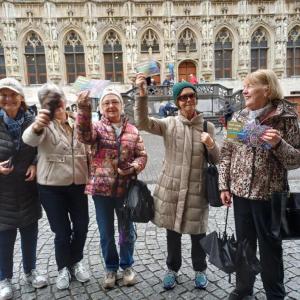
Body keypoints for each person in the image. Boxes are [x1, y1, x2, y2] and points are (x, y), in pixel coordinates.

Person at [219, 69, 300, 300]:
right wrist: (224, 185)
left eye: (249, 85)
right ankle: (244, 288)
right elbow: (226, 154)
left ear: (267, 89)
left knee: (270, 249)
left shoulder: (287, 117)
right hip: (242, 194)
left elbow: (296, 160)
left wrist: (278, 144)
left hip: (271, 196)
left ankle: (275, 293)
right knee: (245, 246)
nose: (244, 90)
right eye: (244, 86)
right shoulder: (239, 117)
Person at [134, 74, 220, 290]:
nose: (188, 100)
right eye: (183, 98)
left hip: (197, 191)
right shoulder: (169, 124)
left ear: (196, 98)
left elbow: (217, 159)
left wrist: (211, 145)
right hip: (171, 189)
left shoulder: (208, 127)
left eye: (191, 96)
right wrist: (142, 96)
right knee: (172, 233)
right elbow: (142, 122)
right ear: (176, 102)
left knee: (198, 234)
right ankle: (172, 269)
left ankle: (200, 270)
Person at [76, 87, 147, 289]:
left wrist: (133, 167)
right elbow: (83, 136)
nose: (110, 106)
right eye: (106, 103)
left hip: (125, 190)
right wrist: (83, 107)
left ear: (122, 106)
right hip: (101, 191)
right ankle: (110, 267)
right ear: (101, 108)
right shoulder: (96, 128)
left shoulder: (132, 130)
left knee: (126, 231)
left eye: (114, 102)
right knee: (106, 233)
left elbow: (142, 156)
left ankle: (127, 266)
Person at [22, 84, 90, 290]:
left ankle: (76, 261)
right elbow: (30, 139)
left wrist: (84, 109)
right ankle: (63, 268)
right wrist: (37, 125)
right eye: (52, 103)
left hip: (77, 185)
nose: (58, 106)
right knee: (62, 231)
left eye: (59, 101)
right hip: (51, 188)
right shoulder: (43, 125)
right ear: (44, 106)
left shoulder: (76, 123)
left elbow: (88, 142)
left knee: (81, 226)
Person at [0, 78, 47, 300]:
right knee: (4, 238)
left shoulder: (33, 121)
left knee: (30, 235)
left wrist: (35, 163)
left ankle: (30, 271)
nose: (7, 99)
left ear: (21, 98)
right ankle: (4, 279)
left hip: (28, 189)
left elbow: (43, 147)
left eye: (12, 94)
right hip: (3, 192)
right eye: (3, 95)